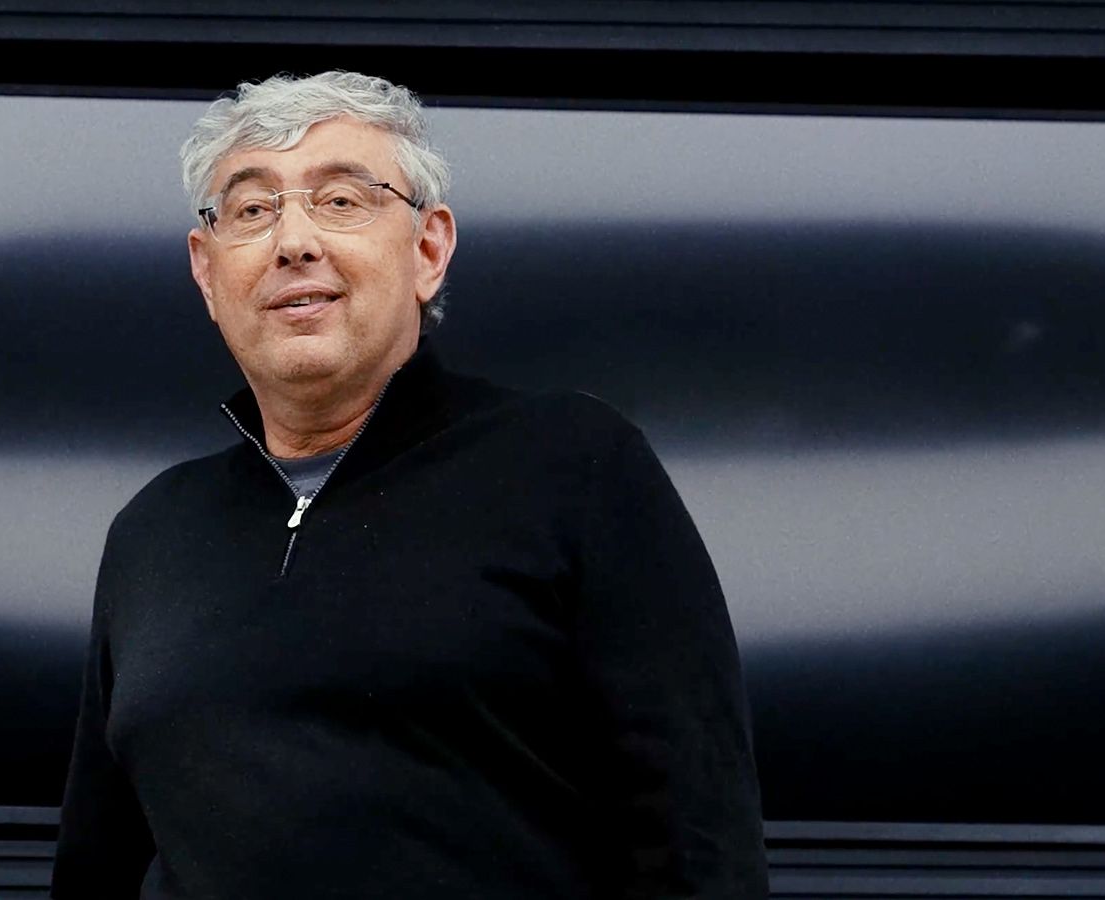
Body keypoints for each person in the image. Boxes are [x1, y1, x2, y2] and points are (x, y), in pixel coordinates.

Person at [50, 70, 768, 899]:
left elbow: (700, 843)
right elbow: (95, 867)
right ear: (207, 274)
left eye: (341, 201)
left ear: (428, 250)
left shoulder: (574, 467)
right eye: (251, 209)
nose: (293, 241)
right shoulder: (152, 533)